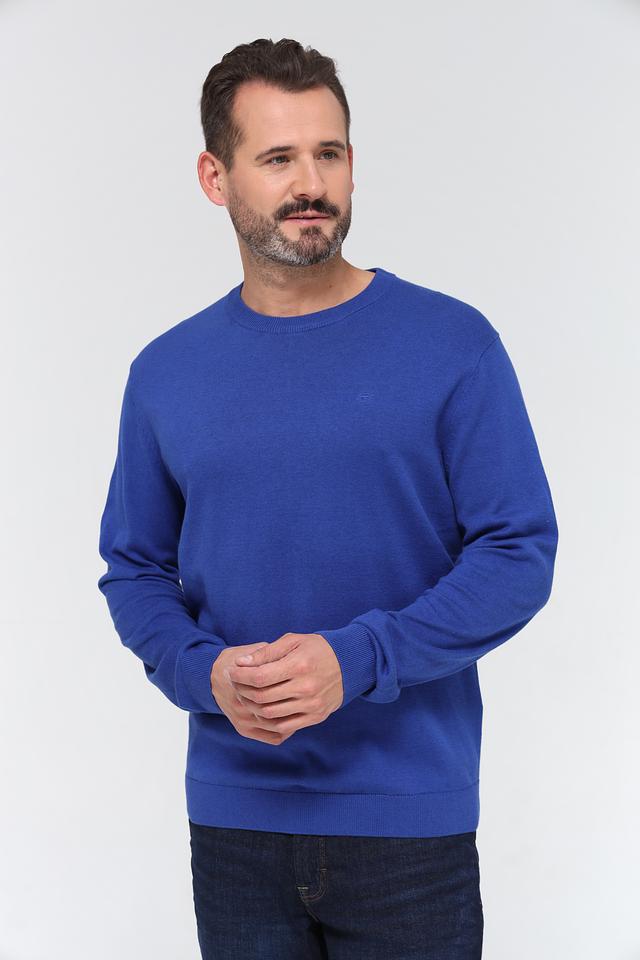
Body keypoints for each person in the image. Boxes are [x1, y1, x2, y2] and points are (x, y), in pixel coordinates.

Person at [97, 36, 559, 960]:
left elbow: (519, 554)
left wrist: (358, 658)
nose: (311, 184)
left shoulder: (452, 345)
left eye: (329, 153)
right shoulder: (166, 372)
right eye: (278, 158)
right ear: (215, 177)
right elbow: (134, 568)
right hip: (236, 825)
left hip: (407, 825)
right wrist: (204, 674)